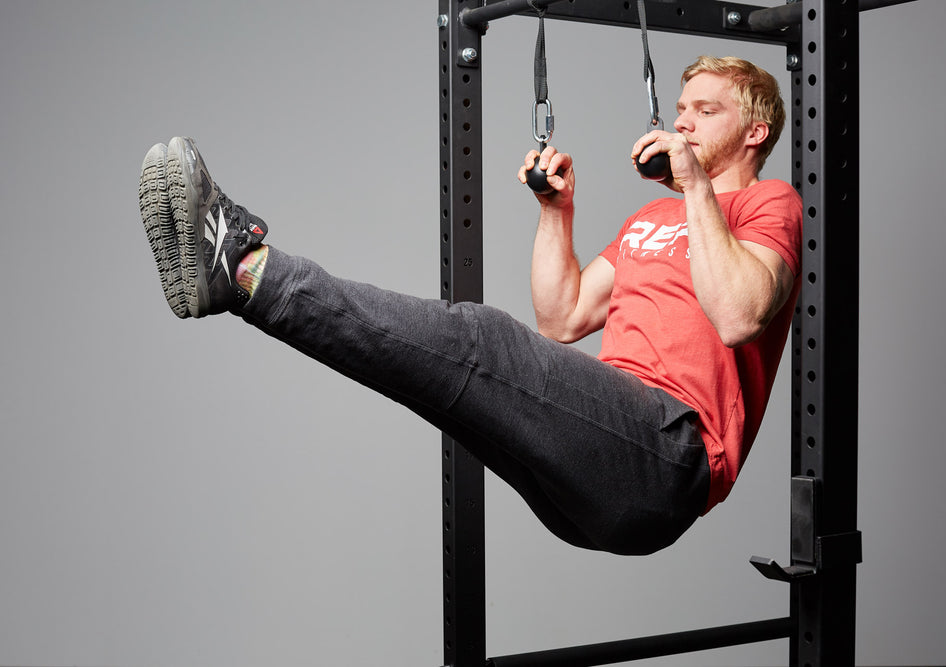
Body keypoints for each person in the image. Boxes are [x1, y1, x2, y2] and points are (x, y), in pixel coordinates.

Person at [138, 55, 801, 556]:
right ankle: (235, 279)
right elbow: (562, 317)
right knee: (440, 384)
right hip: (598, 460)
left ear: (755, 130)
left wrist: (695, 186)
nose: (682, 122)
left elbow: (739, 314)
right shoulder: (650, 218)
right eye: (681, 109)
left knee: (479, 338)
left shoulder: (771, 204)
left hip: (668, 455)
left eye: (706, 111)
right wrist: (556, 211)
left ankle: (245, 268)